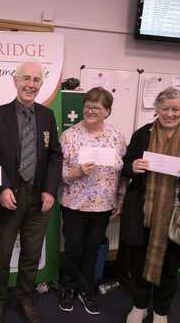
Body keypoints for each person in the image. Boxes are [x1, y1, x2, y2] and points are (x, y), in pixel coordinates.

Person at [120, 87, 180, 323]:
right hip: (142, 213)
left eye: (176, 109)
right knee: (137, 263)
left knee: (170, 267)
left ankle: (161, 311)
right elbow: (125, 163)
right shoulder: (142, 134)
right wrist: (132, 167)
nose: (170, 114)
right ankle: (139, 305)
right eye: (165, 109)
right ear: (157, 109)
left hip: (176, 216)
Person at [0, 61, 62, 323]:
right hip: (9, 197)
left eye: (36, 80)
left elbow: (54, 156)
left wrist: (51, 190)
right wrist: (2, 187)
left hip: (39, 198)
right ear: (14, 81)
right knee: (3, 255)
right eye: (26, 78)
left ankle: (26, 298)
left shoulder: (47, 116)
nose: (31, 84)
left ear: (41, 84)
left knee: (31, 254)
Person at [57, 87, 126, 315]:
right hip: (74, 203)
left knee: (92, 249)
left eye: (97, 107)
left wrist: (120, 197)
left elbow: (122, 171)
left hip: (103, 204)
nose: (91, 110)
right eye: (88, 106)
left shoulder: (116, 136)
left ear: (107, 111)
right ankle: (68, 287)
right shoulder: (69, 136)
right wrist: (75, 173)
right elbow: (57, 171)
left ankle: (86, 289)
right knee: (73, 248)